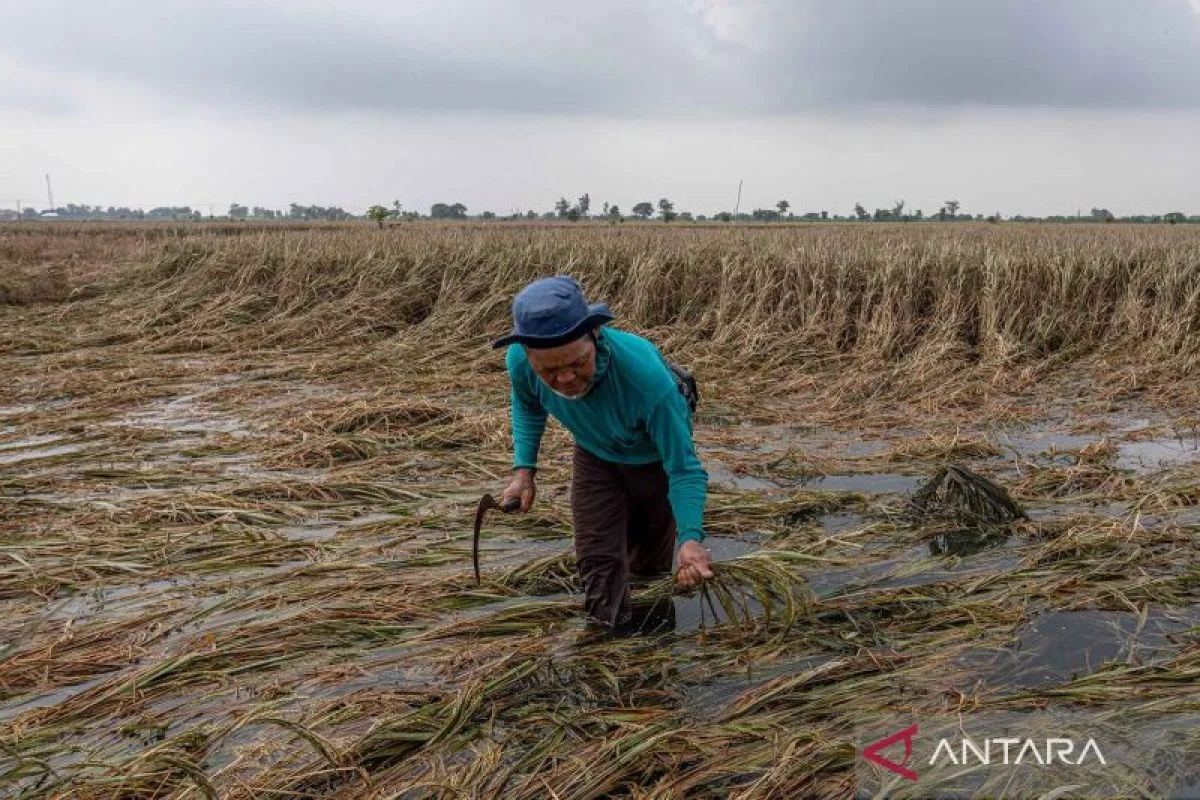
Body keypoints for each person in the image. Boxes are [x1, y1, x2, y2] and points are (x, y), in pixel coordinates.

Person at [493, 275, 714, 629]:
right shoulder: (520, 362)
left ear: (595, 334)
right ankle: (604, 644)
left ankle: (652, 643)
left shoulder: (646, 380)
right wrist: (524, 472)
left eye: (577, 363)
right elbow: (528, 404)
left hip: (653, 465)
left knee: (647, 571)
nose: (566, 378)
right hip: (595, 456)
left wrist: (690, 539)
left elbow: (684, 469)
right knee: (598, 564)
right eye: (549, 370)